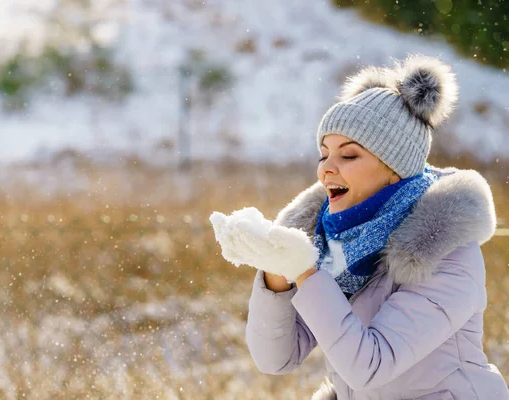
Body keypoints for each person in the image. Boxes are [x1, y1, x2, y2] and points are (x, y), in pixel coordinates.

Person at [210, 54, 509, 399]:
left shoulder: (445, 251)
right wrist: (277, 275)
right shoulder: (338, 244)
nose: (325, 170)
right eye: (324, 154)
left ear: (395, 168)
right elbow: (275, 358)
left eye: (348, 156)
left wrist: (305, 273)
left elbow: (371, 364)